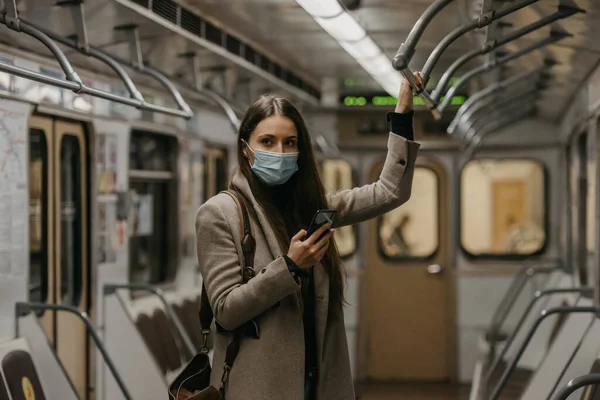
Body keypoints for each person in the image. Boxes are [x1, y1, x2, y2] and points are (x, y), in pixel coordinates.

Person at [195, 73, 422, 400]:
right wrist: (289, 267)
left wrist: (401, 115)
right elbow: (227, 310)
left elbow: (390, 191)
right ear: (246, 149)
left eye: (290, 143)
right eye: (268, 142)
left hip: (317, 385)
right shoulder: (220, 214)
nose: (280, 151)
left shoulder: (312, 208)